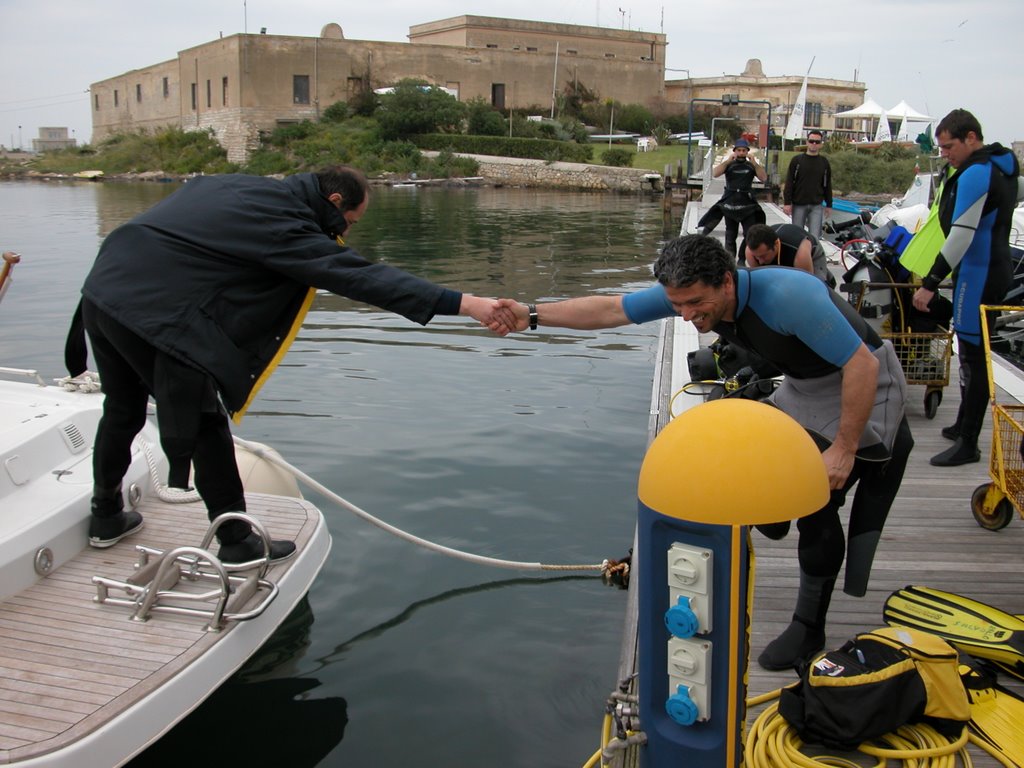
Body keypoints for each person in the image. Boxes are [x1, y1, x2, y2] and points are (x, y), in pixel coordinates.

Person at [491, 234, 913, 670]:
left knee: (814, 497)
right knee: (728, 457)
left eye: (694, 304)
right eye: (677, 306)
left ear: (727, 282)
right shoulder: (690, 292)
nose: (688, 316)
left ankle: (808, 628)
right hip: (804, 388)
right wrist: (533, 315)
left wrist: (843, 449)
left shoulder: (789, 297)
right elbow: (613, 308)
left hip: (867, 387)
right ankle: (770, 517)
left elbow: (863, 364)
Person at [71, 165, 507, 564]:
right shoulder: (281, 225)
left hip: (103, 291)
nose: (344, 234)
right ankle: (238, 542)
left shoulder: (237, 185)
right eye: (348, 224)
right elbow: (357, 275)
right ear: (334, 203)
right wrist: (464, 303)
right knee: (206, 422)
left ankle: (106, 514)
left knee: (123, 409)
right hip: (153, 313)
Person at [911, 109, 1024, 467]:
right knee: (972, 352)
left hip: (976, 274)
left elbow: (962, 234)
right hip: (992, 268)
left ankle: (969, 442)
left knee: (974, 360)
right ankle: (962, 424)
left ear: (971, 138)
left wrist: (930, 282)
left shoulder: (977, 172)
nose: (945, 154)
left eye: (949, 147)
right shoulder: (1003, 166)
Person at [696, 138, 768, 258]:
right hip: (731, 204)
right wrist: (727, 161)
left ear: (747, 152)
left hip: (747, 205)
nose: (741, 153)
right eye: (739, 150)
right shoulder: (729, 165)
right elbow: (715, 173)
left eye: (744, 151)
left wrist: (755, 163)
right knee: (730, 235)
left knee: (749, 234)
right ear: (734, 151)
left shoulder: (751, 166)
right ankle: (730, 259)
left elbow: (764, 178)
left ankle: (742, 258)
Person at [739, 222, 831, 284]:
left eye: (763, 256)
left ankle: (828, 278)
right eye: (757, 257)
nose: (760, 262)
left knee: (818, 288)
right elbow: (762, 281)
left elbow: (807, 286)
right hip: (783, 255)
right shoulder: (750, 253)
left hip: (811, 254)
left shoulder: (801, 253)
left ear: (776, 245)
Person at [784, 129, 833, 241]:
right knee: (796, 235)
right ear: (807, 142)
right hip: (798, 204)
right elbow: (789, 182)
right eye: (811, 141)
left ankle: (812, 257)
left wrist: (829, 204)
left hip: (816, 205)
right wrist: (787, 203)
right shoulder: (797, 161)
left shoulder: (824, 162)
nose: (814, 144)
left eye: (817, 142)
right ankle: (797, 257)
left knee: (815, 237)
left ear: (821, 144)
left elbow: (827, 184)